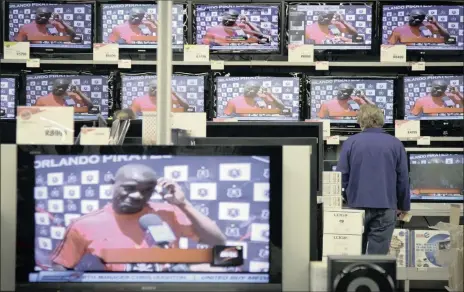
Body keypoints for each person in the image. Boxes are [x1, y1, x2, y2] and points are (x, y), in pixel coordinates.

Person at [51, 164, 226, 271]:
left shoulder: (169, 213)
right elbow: (61, 267)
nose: (137, 196)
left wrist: (183, 204)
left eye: (146, 190)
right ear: (112, 184)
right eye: (129, 188)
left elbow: (218, 241)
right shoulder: (84, 225)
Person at [337, 104, 410, 255]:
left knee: (354, 254)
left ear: (360, 121)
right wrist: (404, 206)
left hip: (356, 205)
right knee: (378, 257)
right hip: (385, 206)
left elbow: (342, 176)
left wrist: (344, 198)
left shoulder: (351, 142)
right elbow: (402, 179)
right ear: (381, 120)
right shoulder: (395, 143)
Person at [202, 10, 270, 46]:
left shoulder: (240, 27)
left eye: (232, 19)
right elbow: (205, 46)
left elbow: (260, 35)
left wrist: (248, 23)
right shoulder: (213, 30)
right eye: (227, 19)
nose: (228, 21)